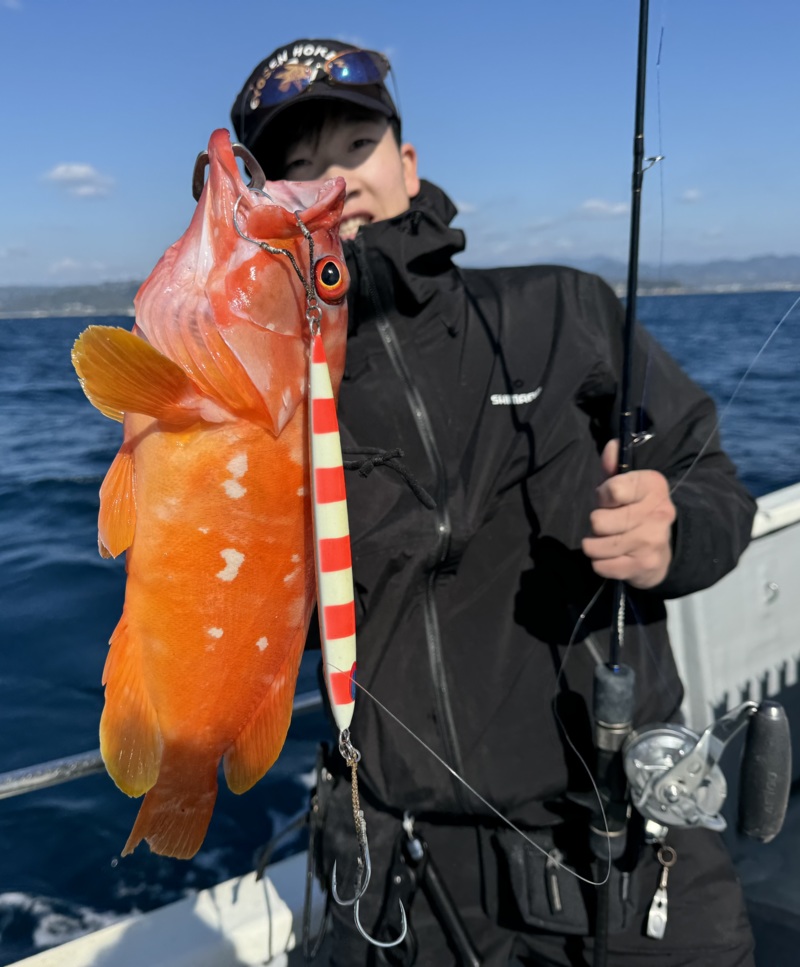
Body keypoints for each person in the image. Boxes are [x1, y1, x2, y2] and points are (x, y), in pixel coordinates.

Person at [231, 39, 757, 967]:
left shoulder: (564, 312)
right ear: (270, 209)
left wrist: (672, 530)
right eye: (297, 168)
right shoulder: (265, 395)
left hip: (619, 833)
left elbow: (712, 482)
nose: (333, 181)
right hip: (406, 873)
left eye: (355, 145)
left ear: (408, 163)